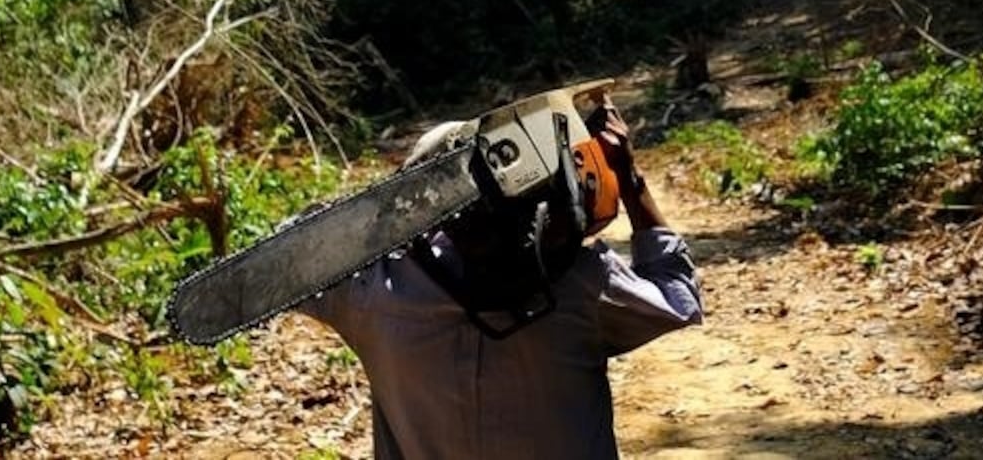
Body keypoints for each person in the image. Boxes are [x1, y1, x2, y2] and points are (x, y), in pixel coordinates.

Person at [300, 97, 703, 459]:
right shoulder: (581, 283)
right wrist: (629, 180)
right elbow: (678, 298)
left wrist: (384, 216)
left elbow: (286, 260)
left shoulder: (373, 291)